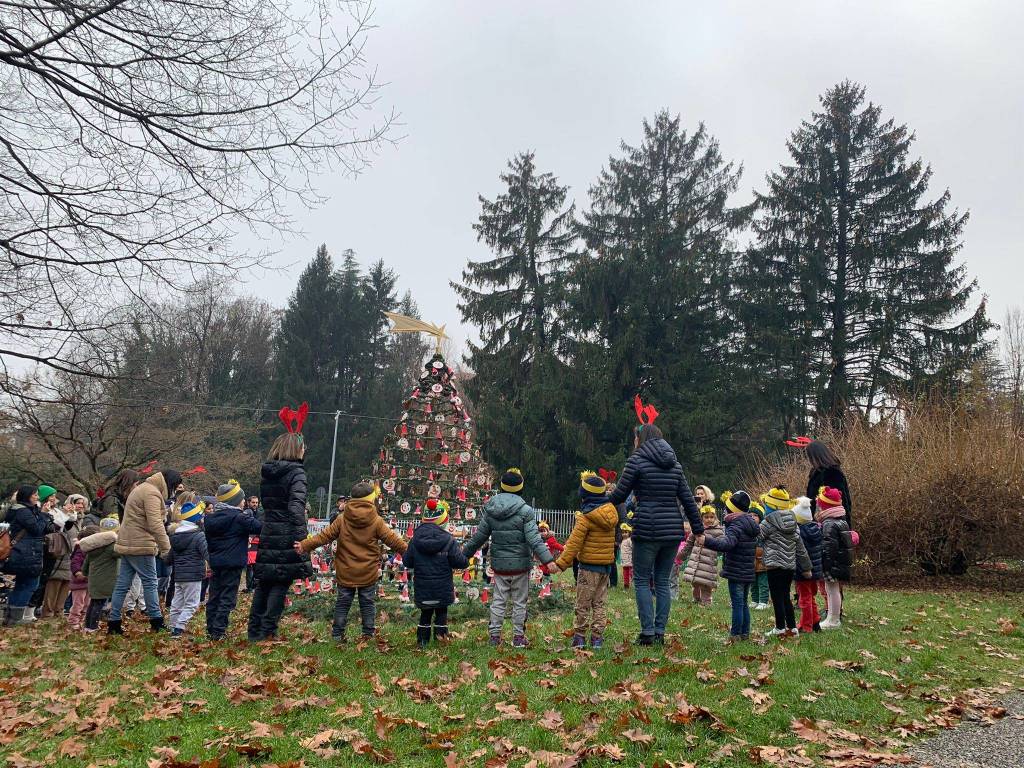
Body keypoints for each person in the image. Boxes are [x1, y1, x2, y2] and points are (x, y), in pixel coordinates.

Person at [609, 424, 705, 646]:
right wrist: (698, 529)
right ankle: (660, 632)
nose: (634, 442)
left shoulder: (636, 461)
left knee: (642, 580)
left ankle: (647, 633)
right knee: (662, 581)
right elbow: (688, 499)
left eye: (635, 438)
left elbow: (620, 494)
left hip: (647, 528)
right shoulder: (675, 464)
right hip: (672, 530)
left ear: (640, 439)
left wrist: (597, 502)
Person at [295, 482, 406, 642]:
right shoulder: (376, 520)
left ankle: (337, 634)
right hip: (367, 571)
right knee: (367, 603)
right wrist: (411, 552)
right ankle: (368, 634)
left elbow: (324, 536)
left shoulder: (342, 519)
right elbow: (393, 540)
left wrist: (305, 545)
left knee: (343, 602)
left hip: (345, 569)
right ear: (370, 500)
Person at [461, 468, 554, 648]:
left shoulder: (491, 509)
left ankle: (494, 636)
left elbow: (478, 538)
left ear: (501, 487)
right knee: (519, 602)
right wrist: (548, 560)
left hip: (500, 566)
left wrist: (462, 556)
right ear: (520, 488)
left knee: (498, 600)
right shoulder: (526, 511)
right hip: (520, 566)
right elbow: (534, 539)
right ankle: (518, 637)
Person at [248, 432, 312, 641]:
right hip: (286, 533)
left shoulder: (268, 473)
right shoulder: (297, 474)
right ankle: (268, 630)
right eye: (303, 447)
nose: (305, 450)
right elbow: (296, 508)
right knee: (280, 582)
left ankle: (254, 629)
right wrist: (303, 540)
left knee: (264, 582)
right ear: (296, 449)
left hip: (269, 531)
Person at [550, 472, 618, 650]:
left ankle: (579, 637)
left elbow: (573, 544)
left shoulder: (586, 517)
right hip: (605, 567)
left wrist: (560, 564)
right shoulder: (610, 512)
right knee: (599, 603)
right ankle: (597, 639)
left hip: (588, 568)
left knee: (583, 603)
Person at [107, 469, 179, 634]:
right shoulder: (151, 493)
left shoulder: (143, 488)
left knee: (122, 585)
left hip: (128, 543)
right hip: (141, 544)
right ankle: (156, 621)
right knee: (150, 583)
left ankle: (114, 622)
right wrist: (167, 549)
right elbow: (155, 524)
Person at [403, 499, 467, 647]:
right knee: (441, 613)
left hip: (422, 587)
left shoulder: (415, 540)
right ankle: (441, 640)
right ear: (443, 520)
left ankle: (422, 642)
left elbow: (407, 561)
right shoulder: (449, 540)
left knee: (425, 614)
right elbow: (460, 562)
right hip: (442, 587)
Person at [203, 480, 262, 640]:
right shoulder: (239, 518)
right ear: (235, 500)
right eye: (242, 499)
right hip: (233, 563)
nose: (245, 502)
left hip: (216, 562)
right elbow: (260, 527)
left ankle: (211, 628)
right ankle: (219, 631)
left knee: (214, 595)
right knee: (227, 598)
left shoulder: (210, 519)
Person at [704, 491, 760, 643]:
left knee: (737, 604)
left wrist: (706, 540)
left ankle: (735, 634)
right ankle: (745, 633)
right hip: (747, 569)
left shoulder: (736, 525)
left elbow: (727, 544)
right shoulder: (749, 523)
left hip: (736, 570)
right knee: (743, 604)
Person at [759, 487, 812, 637]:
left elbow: (757, 537)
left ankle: (780, 627)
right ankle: (793, 627)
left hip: (774, 565)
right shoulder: (794, 523)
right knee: (786, 595)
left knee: (776, 597)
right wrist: (807, 567)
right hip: (789, 566)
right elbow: (800, 548)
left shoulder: (768, 522)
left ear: (770, 506)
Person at [2, 485, 49, 626]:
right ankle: (15, 618)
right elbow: (37, 529)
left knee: (22, 584)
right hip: (27, 552)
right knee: (29, 584)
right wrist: (43, 514)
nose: (37, 497)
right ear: (27, 495)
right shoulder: (24, 512)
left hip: (20, 551)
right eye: (35, 494)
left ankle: (11, 617)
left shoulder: (16, 509)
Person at [165, 501, 208, 637]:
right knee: (192, 604)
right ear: (195, 520)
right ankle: (179, 627)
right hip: (194, 575)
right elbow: (206, 553)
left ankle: (172, 626)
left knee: (177, 602)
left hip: (179, 576)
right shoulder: (199, 536)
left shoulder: (175, 536)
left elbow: (169, 558)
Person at [816, 487, 854, 629]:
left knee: (831, 590)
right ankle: (832, 617)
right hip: (839, 563)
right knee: (833, 590)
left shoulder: (829, 523)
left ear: (825, 506)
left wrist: (824, 564)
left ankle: (833, 619)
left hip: (832, 565)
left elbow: (828, 547)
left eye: (820, 505)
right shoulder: (841, 521)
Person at [40, 489, 81, 619]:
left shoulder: (58, 511)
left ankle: (59, 610)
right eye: (51, 496)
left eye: (54, 496)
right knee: (54, 581)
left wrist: (70, 512)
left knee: (65, 582)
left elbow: (67, 524)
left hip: (66, 550)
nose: (53, 498)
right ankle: (48, 611)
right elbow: (57, 526)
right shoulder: (44, 512)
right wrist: (64, 513)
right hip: (54, 549)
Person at [81, 517, 120, 632]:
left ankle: (88, 626)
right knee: (99, 604)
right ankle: (92, 627)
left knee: (93, 603)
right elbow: (122, 553)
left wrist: (85, 573)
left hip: (94, 578)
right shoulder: (112, 547)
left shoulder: (94, 546)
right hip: (106, 579)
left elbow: (85, 565)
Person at [679, 506, 724, 606]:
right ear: (702, 518)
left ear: (715, 518)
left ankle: (706, 601)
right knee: (695, 582)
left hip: (708, 562)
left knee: (706, 583)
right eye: (706, 517)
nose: (709, 519)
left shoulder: (718, 531)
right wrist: (682, 554)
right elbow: (689, 543)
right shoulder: (697, 529)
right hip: (696, 560)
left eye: (711, 517)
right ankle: (696, 598)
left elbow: (722, 544)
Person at [793, 497, 824, 634]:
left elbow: (800, 554)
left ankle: (806, 625)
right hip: (816, 570)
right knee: (811, 596)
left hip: (803, 571)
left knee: (804, 598)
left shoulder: (800, 533)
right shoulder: (816, 530)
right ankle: (815, 621)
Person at [806, 441, 852, 527]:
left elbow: (842, 501)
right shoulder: (816, 473)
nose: (810, 461)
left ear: (816, 456)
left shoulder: (832, 473)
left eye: (810, 457)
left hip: (831, 522)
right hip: (820, 522)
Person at [67, 524, 98, 630]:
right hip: (79, 582)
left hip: (89, 581)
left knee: (87, 603)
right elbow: (75, 562)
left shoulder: (93, 550)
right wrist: (78, 573)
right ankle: (73, 621)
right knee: (78, 603)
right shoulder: (81, 548)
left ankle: (82, 620)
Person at [748, 499, 770, 610]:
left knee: (763, 582)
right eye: (750, 515)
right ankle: (755, 599)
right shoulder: (747, 530)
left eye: (755, 515)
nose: (752, 517)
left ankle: (763, 601)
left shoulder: (763, 529)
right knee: (753, 582)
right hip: (751, 560)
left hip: (762, 559)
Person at [619, 524, 634, 589]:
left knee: (631, 573)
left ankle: (635, 583)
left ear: (629, 533)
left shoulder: (629, 540)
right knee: (625, 573)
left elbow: (633, 548)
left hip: (629, 560)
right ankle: (626, 585)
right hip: (624, 561)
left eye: (626, 532)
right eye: (623, 532)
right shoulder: (622, 541)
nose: (624, 534)